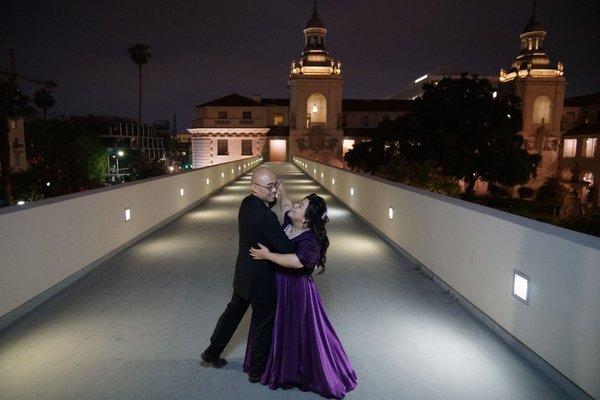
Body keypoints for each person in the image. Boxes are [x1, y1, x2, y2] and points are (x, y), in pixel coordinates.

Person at [245, 184, 358, 399]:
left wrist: (268, 256)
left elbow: (297, 262)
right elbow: (286, 204)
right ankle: (268, 362)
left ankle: (291, 371)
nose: (295, 206)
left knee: (293, 327)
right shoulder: (292, 221)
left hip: (295, 289)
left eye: (301, 205)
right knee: (270, 323)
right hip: (277, 282)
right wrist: (284, 190)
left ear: (306, 220)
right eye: (299, 203)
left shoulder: (311, 240)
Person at [201, 167, 296, 383]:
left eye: (276, 185)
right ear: (255, 187)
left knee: (232, 313)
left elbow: (266, 203)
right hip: (261, 279)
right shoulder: (267, 217)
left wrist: (279, 193)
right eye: (270, 186)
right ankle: (257, 371)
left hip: (243, 273)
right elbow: (285, 247)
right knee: (263, 324)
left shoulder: (246, 203)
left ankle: (211, 352)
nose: (274, 190)